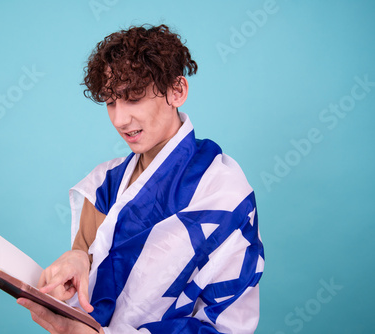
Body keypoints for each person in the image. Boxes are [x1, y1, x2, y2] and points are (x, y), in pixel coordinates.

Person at [17, 24, 264, 334]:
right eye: (110, 101)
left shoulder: (224, 194)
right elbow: (87, 258)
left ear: (177, 91)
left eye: (133, 98)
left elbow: (226, 326)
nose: (120, 119)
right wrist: (77, 259)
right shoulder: (107, 182)